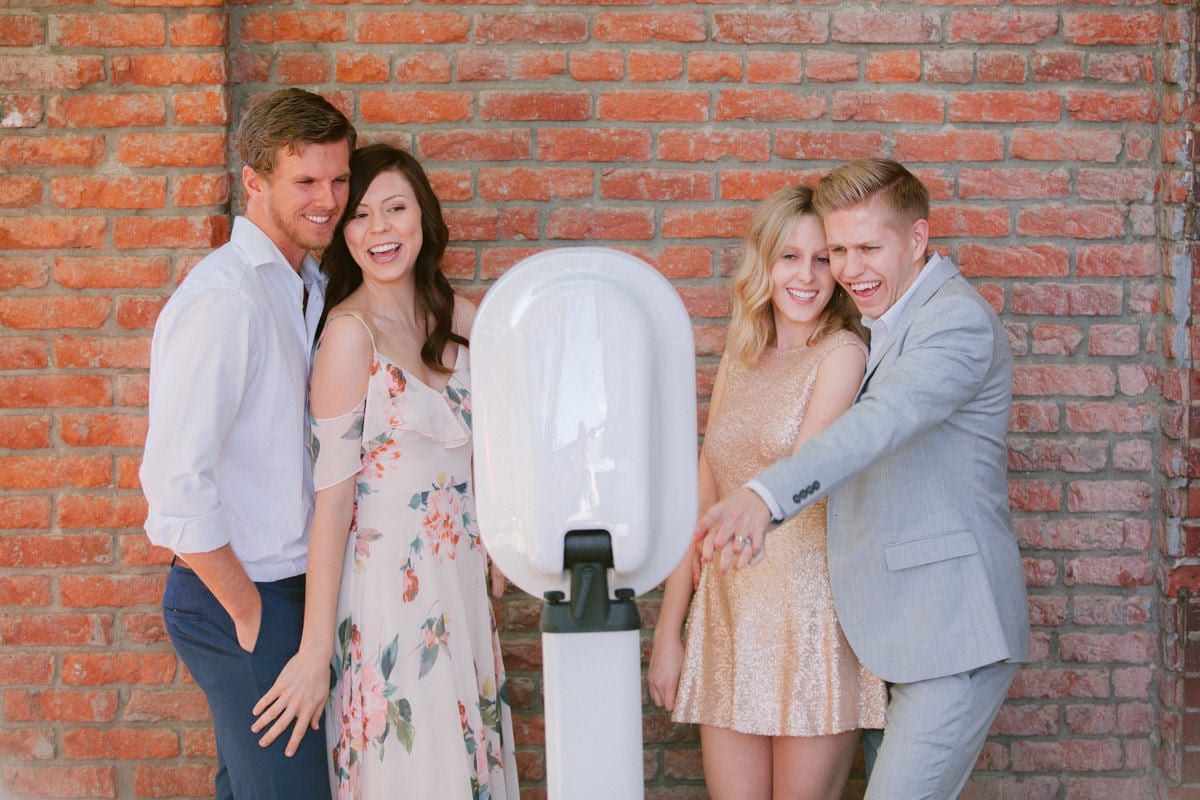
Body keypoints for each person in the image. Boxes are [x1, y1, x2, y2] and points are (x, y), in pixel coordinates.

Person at [695, 159, 1030, 800]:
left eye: (868, 248)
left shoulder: (952, 322)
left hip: (949, 631)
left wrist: (764, 496)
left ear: (917, 239)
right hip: (886, 635)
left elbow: (879, 424)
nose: (850, 270)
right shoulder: (881, 326)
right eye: (840, 249)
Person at [248, 144, 519, 800]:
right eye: (361, 215)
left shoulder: (459, 320)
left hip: (458, 589)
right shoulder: (349, 335)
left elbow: (515, 428)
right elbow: (331, 503)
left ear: (422, 216)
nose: (381, 229)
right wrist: (315, 653)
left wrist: (507, 534)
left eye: (395, 209)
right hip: (387, 600)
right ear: (344, 234)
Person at [141, 88, 354, 799]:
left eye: (338, 178)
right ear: (255, 182)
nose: (327, 199)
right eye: (306, 182)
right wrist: (249, 613)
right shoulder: (224, 300)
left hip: (292, 591)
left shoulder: (306, 284)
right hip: (244, 595)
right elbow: (174, 488)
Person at [648, 185, 886, 800]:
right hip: (728, 618)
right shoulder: (741, 355)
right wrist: (671, 630)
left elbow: (803, 472)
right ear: (765, 265)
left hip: (809, 619)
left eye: (822, 258)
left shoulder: (842, 354)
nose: (806, 275)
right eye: (789, 257)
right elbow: (702, 498)